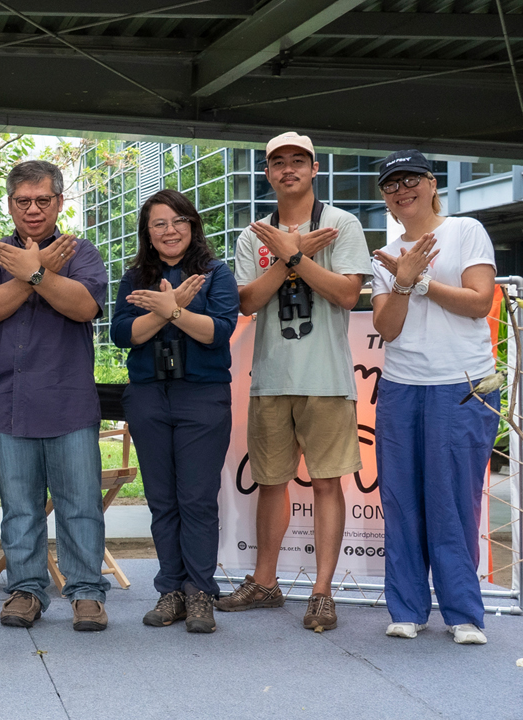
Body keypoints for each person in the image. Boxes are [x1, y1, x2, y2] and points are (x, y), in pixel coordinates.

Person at [217, 131, 371, 632]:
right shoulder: (254, 235)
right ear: (267, 173)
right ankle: (265, 582)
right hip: (270, 377)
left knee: (327, 483)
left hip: (326, 377)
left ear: (314, 168)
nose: (289, 169)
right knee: (270, 483)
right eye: (278, 162)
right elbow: (247, 302)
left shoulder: (341, 223)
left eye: (298, 161)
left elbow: (347, 295)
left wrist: (298, 256)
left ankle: (322, 592)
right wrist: (289, 252)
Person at [0, 160, 111, 632]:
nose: (33, 209)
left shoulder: (81, 251)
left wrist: (37, 273)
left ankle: (86, 593)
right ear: (10, 205)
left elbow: (84, 306)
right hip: (10, 401)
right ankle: (26, 590)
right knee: (20, 508)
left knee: (80, 506)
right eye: (23, 201)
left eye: (42, 200)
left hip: (69, 402)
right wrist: (33, 272)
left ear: (59, 202)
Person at [370, 150, 499, 645]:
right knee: (400, 501)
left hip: (461, 384)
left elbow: (479, 302)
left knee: (453, 501)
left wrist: (419, 281)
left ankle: (463, 613)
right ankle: (407, 608)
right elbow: (387, 328)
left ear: (431, 183)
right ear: (385, 198)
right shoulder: (385, 254)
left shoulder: (465, 231)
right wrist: (401, 283)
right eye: (391, 184)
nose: (402, 190)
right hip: (402, 385)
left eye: (410, 180)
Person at [112, 189, 239, 633]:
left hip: (201, 397)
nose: (170, 230)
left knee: (197, 499)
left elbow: (218, 332)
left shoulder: (215, 273)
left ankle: (200, 591)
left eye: (178, 221)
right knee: (162, 500)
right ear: (147, 233)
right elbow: (122, 334)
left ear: (193, 225)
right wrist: (168, 310)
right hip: (149, 396)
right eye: (159, 224)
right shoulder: (135, 277)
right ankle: (171, 591)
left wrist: (173, 310)